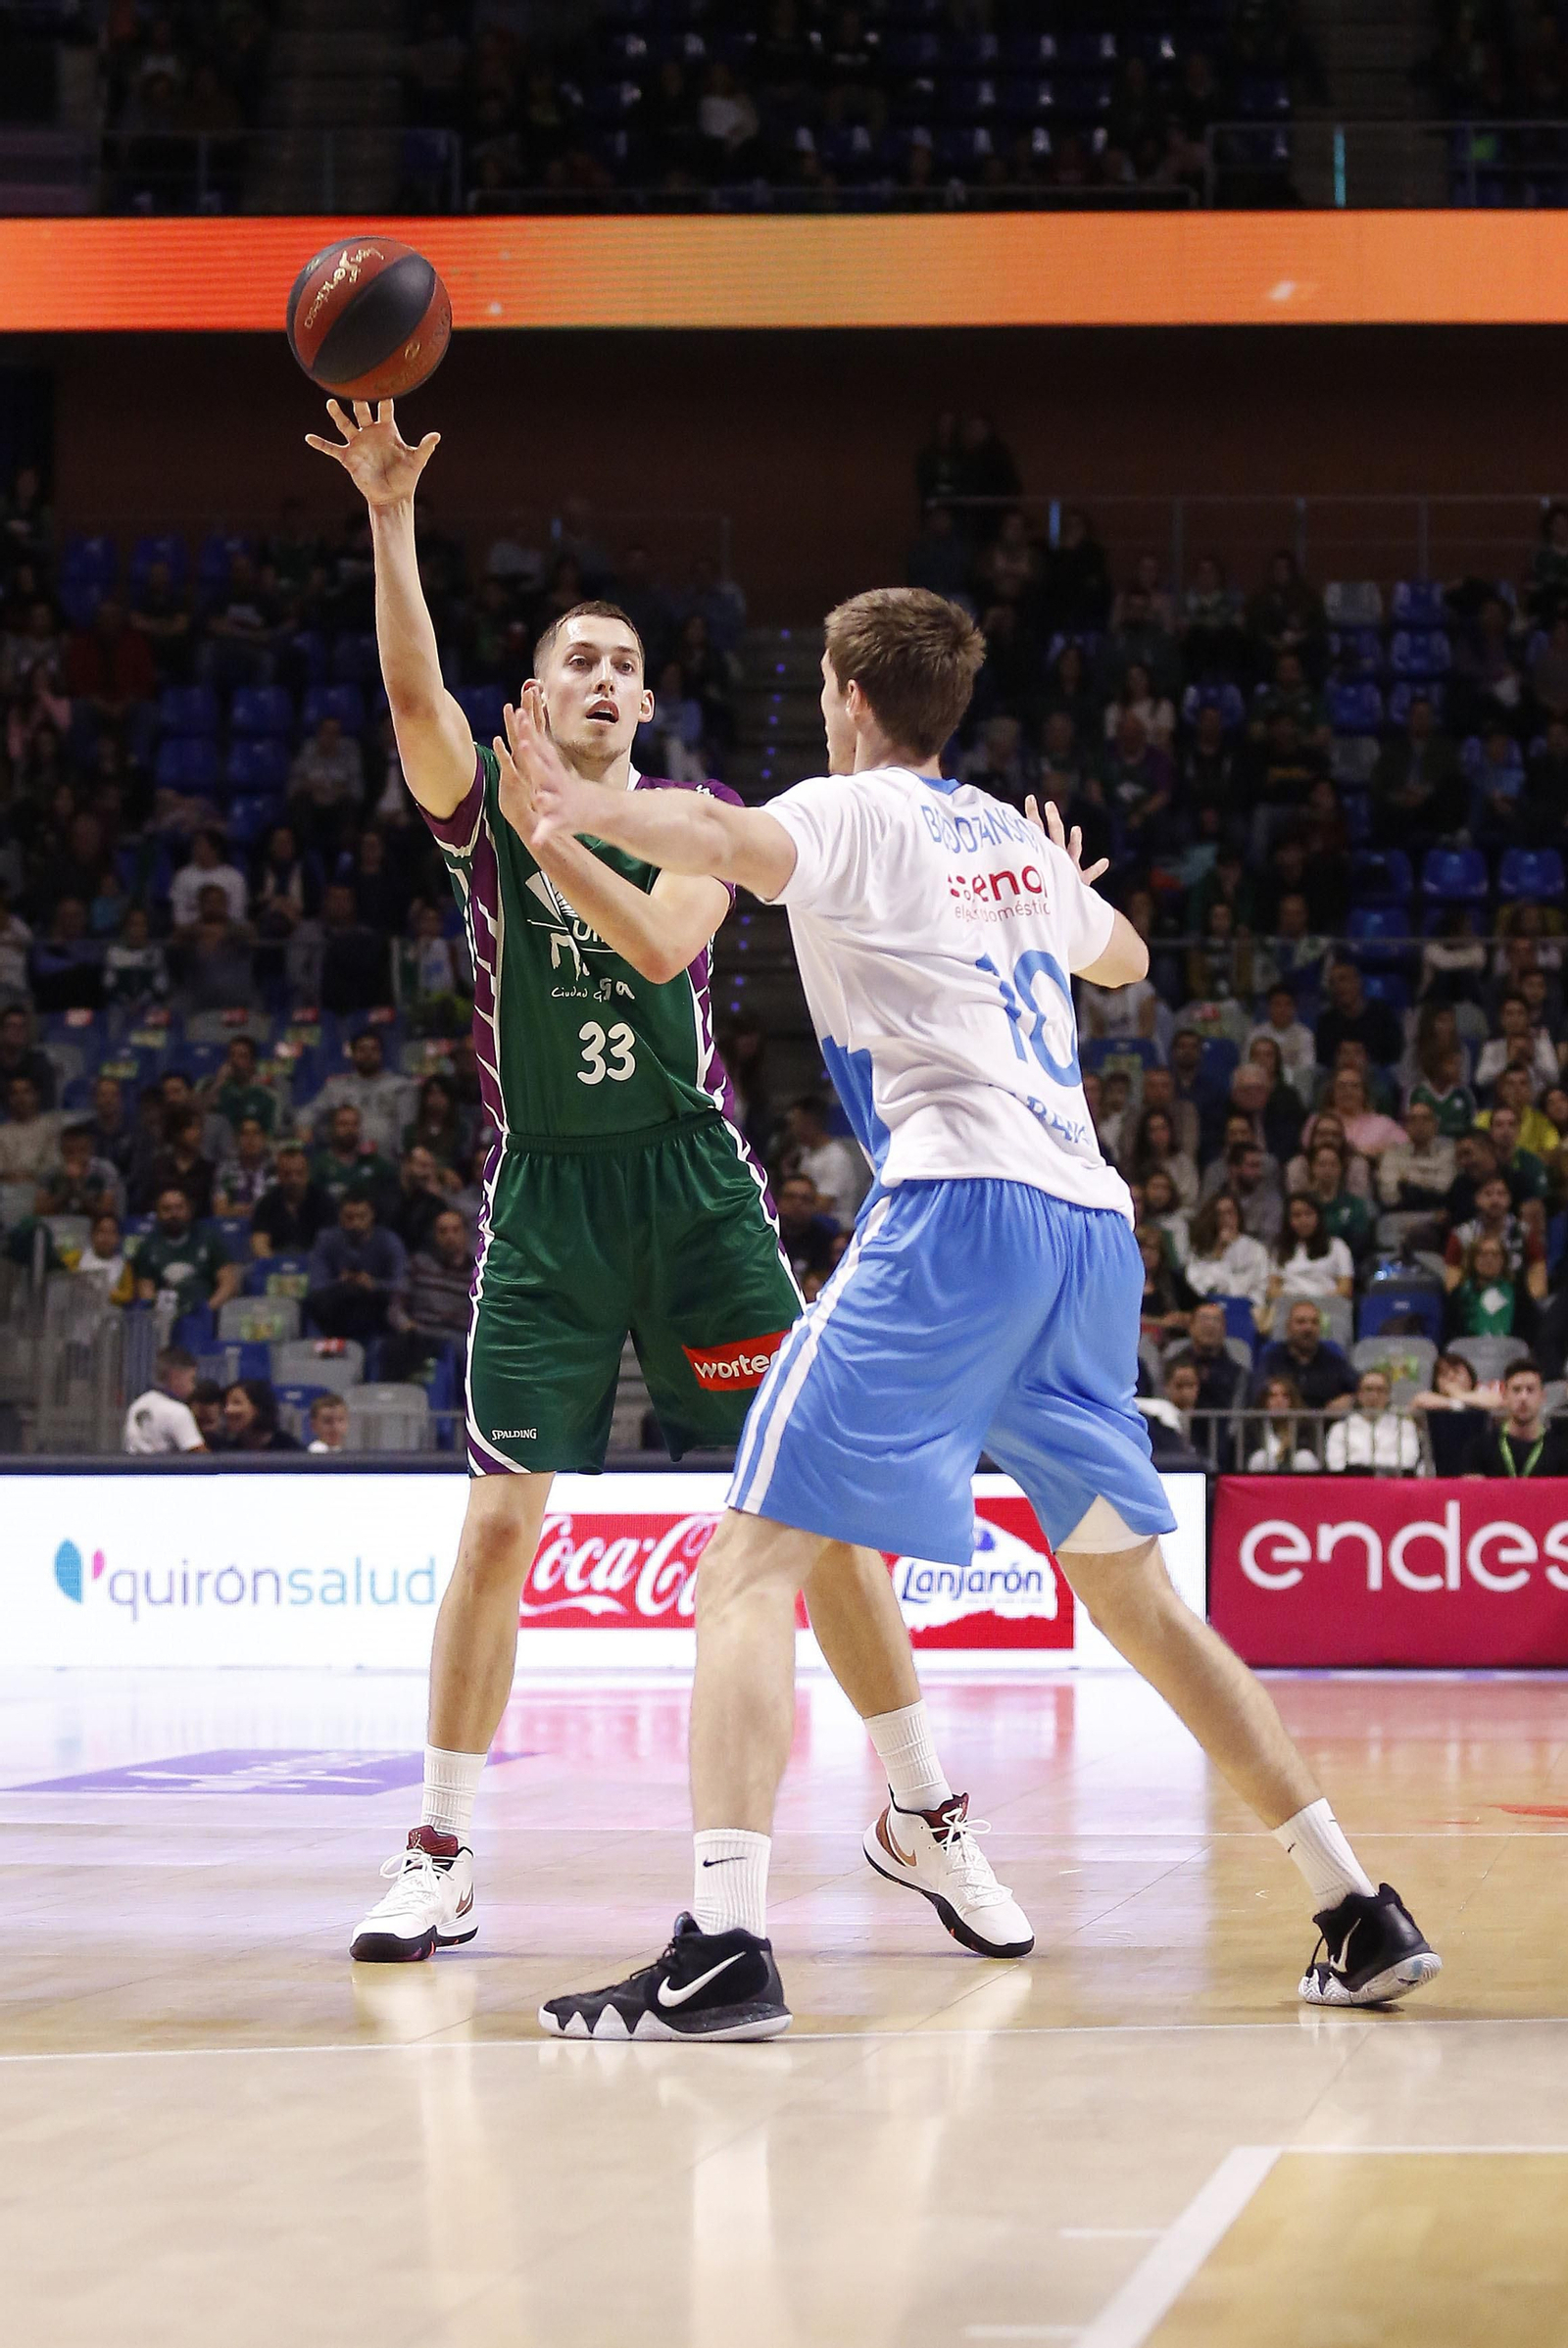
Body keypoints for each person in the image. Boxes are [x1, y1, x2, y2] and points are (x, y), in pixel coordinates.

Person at [500, 582, 1439, 2036]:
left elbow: (720, 840)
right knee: (1138, 1597)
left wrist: (572, 804)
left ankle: (723, 1946)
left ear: (852, 700)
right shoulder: (1005, 829)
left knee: (744, 1570)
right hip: (1088, 1233)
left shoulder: (857, 810)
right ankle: (1353, 1910)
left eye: (823, 681)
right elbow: (1123, 957)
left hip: (961, 1214)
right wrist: (1066, 893)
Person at [308, 403, 1004, 1975]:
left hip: (697, 1198)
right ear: (537, 698)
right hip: (545, 1202)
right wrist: (390, 516)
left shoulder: (702, 825)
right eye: (580, 663)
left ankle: (925, 1812)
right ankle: (439, 1849)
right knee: (498, 1526)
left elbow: (669, 943)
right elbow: (411, 686)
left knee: (823, 1524)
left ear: (646, 703)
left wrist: (564, 832)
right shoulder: (477, 814)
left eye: (626, 664)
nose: (606, 680)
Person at [306, 1191, 408, 1343]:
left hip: (376, 1313)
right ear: (339, 1215)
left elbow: (402, 1285)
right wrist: (340, 1283)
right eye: (349, 1217)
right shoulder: (326, 1239)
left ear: (372, 1215)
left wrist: (374, 1284)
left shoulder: (389, 1241)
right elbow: (316, 1286)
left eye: (361, 1217)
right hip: (336, 1312)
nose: (355, 1223)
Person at [131, 1185, 241, 1320]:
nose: (174, 1214)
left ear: (189, 1210)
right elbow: (146, 1292)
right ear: (158, 1213)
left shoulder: (209, 1238)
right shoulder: (147, 1246)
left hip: (206, 1315)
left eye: (179, 1207)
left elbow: (228, 1283)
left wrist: (208, 1310)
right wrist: (160, 1317)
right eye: (167, 1209)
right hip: (164, 1319)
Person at [309, 1026, 408, 1158]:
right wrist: (304, 1125)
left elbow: (407, 1129)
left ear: (381, 1053)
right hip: (344, 1164)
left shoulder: (400, 1086)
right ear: (353, 1053)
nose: (368, 1054)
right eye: (362, 1049)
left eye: (373, 1049)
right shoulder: (336, 1087)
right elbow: (310, 1112)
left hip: (387, 1162)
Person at [1461, 1357, 1568, 1476]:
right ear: (1505, 1395)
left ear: (1542, 1396)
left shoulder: (1561, 1452)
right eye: (1516, 1390)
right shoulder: (1479, 1449)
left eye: (1530, 1390)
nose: (1523, 1397)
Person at [1252, 1297, 1358, 1415]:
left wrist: (1351, 1399)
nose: (1308, 1328)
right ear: (1288, 1328)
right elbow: (1258, 1395)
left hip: (1324, 1429)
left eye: (1314, 1322)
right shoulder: (1272, 1358)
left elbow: (1360, 1390)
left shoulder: (1333, 1359)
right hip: (1282, 1428)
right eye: (1301, 1322)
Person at [1410, 1350, 1504, 1477]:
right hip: (1439, 1470)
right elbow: (1418, 1401)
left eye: (1456, 1372)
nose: (1451, 1377)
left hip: (1480, 1472)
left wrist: (1459, 1394)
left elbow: (1498, 1402)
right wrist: (1456, 1402)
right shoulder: (1431, 1400)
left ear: (1470, 1377)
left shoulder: (1482, 1395)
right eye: (1443, 1375)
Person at [779, 1094, 867, 1228]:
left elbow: (824, 1205)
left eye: (794, 1122)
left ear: (808, 1122)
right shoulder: (805, 1152)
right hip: (807, 1223)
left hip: (834, 1227)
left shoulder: (836, 1158)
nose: (791, 1128)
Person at [1266, 1193, 1354, 1321]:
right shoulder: (1280, 1249)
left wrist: (1315, 1304)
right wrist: (1296, 1304)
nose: (1303, 1220)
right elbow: (1273, 1289)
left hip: (1326, 1311)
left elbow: (1345, 1288)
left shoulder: (1337, 1246)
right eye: (1297, 1216)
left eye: (1308, 1214)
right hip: (1289, 1313)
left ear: (1318, 1216)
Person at [1182, 1191, 1270, 1314]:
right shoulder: (1200, 1249)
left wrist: (1245, 1305)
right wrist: (1219, 1252)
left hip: (1245, 1309)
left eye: (1230, 1212)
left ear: (1238, 1215)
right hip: (1210, 1307)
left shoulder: (1256, 1249)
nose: (1226, 1219)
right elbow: (1198, 1286)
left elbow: (1262, 1286)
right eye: (1219, 1214)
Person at [1324, 1369, 1422, 1475]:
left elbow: (1407, 1462)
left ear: (1388, 1395)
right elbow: (1336, 1465)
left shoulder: (1404, 1426)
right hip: (1354, 1486)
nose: (1374, 1396)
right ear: (1358, 1394)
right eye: (1368, 1389)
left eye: (1380, 1390)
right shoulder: (1340, 1429)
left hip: (1392, 1485)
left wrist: (1359, 1463)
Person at [250, 1141, 333, 1258]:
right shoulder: (266, 1204)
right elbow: (259, 1243)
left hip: (313, 1264)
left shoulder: (324, 1202)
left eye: (299, 1173)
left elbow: (329, 1245)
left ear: (308, 1173)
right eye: (287, 1174)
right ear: (278, 1175)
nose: (293, 1180)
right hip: (276, 1264)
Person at [122, 1344, 207, 1453]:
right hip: (163, 1469)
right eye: (192, 1379)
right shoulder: (178, 1411)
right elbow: (201, 1457)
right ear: (176, 1377)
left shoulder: (138, 1404)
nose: (193, 1386)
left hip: (133, 1468)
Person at [1245, 1374, 1320, 1473]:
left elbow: (1312, 1452)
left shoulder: (1305, 1425)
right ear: (1264, 1401)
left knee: (1304, 1458)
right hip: (1264, 1481)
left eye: (1285, 1396)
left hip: (1293, 1476)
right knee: (1261, 1458)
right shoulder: (1252, 1426)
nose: (1279, 1401)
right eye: (1273, 1396)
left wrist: (1287, 1447)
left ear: (1292, 1400)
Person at [217, 1377, 302, 1453]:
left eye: (236, 1403)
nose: (227, 1410)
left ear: (259, 1408)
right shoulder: (226, 1452)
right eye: (226, 1404)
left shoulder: (291, 1451)